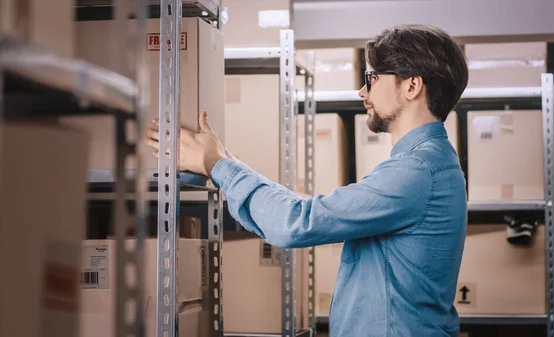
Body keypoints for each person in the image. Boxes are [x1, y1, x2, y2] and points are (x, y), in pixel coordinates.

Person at [146, 24, 469, 337]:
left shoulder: (416, 171)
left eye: (371, 78)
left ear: (412, 86)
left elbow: (296, 222)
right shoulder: (430, 164)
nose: (361, 91)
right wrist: (224, 163)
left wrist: (217, 164)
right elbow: (302, 212)